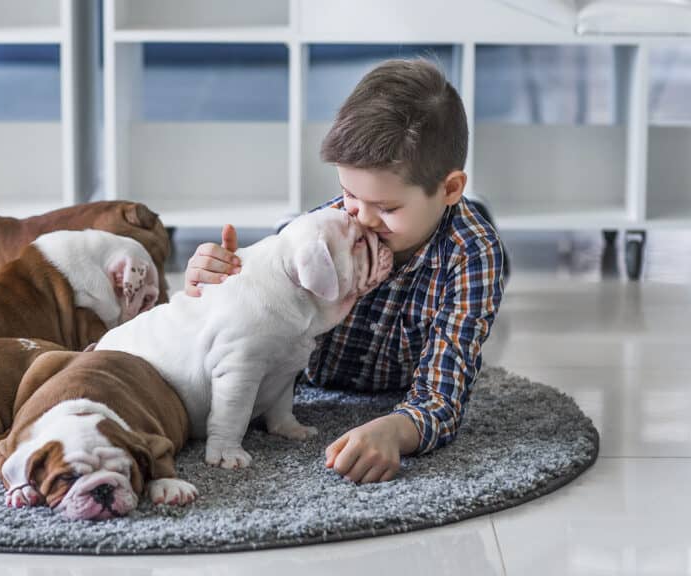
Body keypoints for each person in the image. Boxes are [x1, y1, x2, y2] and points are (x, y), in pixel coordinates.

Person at [184, 59, 506, 484]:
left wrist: (395, 428)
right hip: (316, 365)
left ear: (449, 188)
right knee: (299, 229)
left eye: (387, 208)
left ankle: (472, 208)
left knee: (479, 236)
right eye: (349, 194)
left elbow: (442, 397)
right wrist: (210, 282)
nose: (364, 221)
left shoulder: (472, 256)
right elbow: (244, 321)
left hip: (412, 342)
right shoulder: (327, 229)